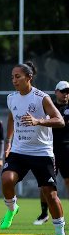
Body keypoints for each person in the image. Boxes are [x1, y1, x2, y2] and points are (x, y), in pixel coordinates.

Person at [0, 63, 66, 235]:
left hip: (41, 152)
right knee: (6, 179)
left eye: (18, 76)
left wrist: (38, 121)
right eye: (12, 77)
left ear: (29, 77)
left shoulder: (41, 98)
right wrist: (9, 142)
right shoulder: (11, 98)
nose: (14, 80)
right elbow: (12, 117)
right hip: (19, 151)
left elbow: (60, 121)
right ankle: (12, 209)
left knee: (49, 193)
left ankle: (60, 232)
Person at [34, 80, 69, 225]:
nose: (66, 94)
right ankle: (44, 213)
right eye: (63, 91)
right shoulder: (50, 107)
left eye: (68, 92)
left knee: (68, 180)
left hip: (67, 149)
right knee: (45, 183)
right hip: (50, 149)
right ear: (56, 92)